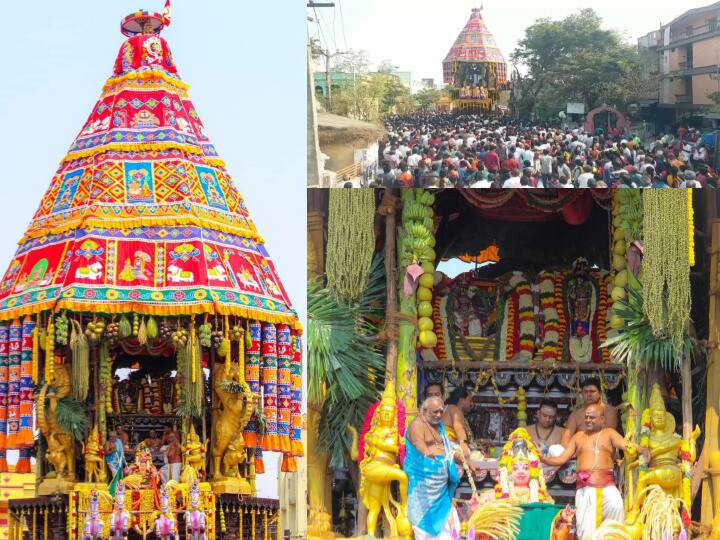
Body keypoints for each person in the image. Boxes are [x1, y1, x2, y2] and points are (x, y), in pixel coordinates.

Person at [541, 404, 641, 540]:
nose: (588, 420)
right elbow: (561, 459)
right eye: (586, 417)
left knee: (616, 518)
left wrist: (644, 450)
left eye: (592, 417)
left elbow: (627, 445)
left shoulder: (609, 433)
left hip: (608, 487)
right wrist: (542, 457)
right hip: (586, 489)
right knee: (586, 533)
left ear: (602, 420)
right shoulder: (578, 437)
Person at [404, 396, 461, 540]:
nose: (439, 415)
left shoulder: (440, 427)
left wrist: (468, 462)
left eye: (441, 412)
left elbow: (449, 450)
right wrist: (426, 452)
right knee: (425, 533)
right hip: (423, 489)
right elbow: (418, 442)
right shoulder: (417, 424)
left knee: (451, 531)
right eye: (435, 412)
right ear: (424, 411)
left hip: (441, 491)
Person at [562, 377, 618, 446]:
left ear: (600, 393)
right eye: (585, 392)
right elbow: (565, 439)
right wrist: (573, 453)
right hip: (579, 454)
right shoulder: (575, 415)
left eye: (592, 391)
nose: (589, 395)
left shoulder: (609, 411)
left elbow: (609, 436)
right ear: (582, 394)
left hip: (603, 452)